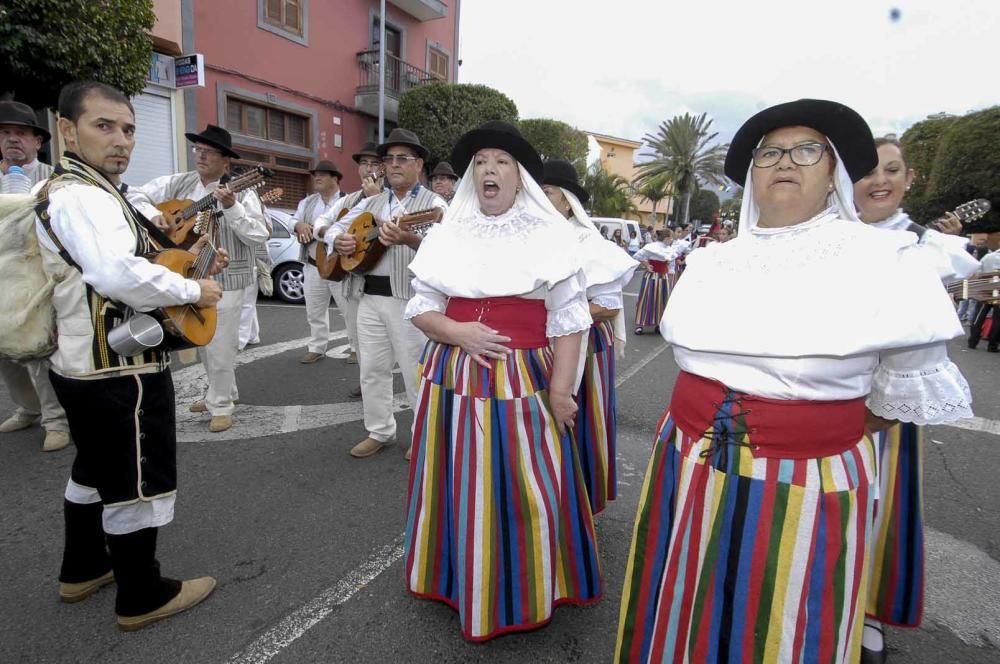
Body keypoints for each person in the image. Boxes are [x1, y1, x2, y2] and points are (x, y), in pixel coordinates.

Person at [615, 99, 972, 664]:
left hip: (809, 474)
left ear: (834, 172)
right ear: (752, 175)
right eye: (769, 153)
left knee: (786, 620)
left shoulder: (890, 262)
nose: (786, 161)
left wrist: (809, 431)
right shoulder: (711, 262)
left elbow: (904, 388)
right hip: (686, 459)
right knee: (686, 597)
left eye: (808, 150)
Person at [36, 80, 224, 630]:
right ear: (67, 130)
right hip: (116, 367)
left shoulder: (90, 188)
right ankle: (142, 593)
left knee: (94, 469)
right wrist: (194, 292)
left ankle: (84, 567)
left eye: (128, 128)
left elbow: (135, 257)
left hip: (80, 362)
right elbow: (115, 273)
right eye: (104, 126)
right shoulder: (81, 195)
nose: (121, 140)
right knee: (134, 480)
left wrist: (183, 262)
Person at [403, 121, 600, 641]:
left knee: (526, 487)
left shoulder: (551, 236)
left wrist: (562, 391)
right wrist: (456, 331)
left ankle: (527, 585)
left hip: (523, 379)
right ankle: (459, 578)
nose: (490, 170)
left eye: (502, 162)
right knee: (454, 482)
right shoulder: (448, 233)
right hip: (453, 373)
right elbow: (422, 305)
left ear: (519, 178)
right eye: (482, 162)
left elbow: (569, 319)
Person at [852, 135, 981, 662]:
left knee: (878, 506)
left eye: (892, 169)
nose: (879, 180)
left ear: (909, 180)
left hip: (883, 405)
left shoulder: (927, 248)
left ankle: (867, 613)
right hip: (822, 395)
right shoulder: (828, 237)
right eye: (868, 171)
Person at [128, 125, 268, 433]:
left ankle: (221, 404)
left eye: (210, 152)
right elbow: (134, 193)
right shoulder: (181, 182)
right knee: (201, 339)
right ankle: (222, 392)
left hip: (228, 278)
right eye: (198, 150)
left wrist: (231, 208)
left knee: (219, 344)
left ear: (226, 161)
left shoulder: (244, 190)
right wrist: (154, 215)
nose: (202, 156)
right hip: (188, 275)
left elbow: (259, 233)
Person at [328, 129, 447, 459]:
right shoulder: (373, 201)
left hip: (409, 300)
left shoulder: (433, 204)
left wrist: (410, 239)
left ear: (419, 165)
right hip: (368, 295)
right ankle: (380, 430)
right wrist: (339, 241)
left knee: (414, 371)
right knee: (371, 369)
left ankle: (423, 435)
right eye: (389, 159)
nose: (393, 165)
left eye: (402, 159)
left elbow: (446, 248)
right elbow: (337, 227)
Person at [542, 158, 638, 515]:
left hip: (587, 345)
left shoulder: (588, 243)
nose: (539, 197)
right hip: (544, 344)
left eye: (547, 192)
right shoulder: (529, 237)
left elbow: (607, 307)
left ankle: (578, 499)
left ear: (567, 201)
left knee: (578, 418)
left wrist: (554, 318)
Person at [0, 100, 70, 452]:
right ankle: (27, 408)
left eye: (21, 133)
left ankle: (56, 420)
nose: (13, 140)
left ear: (37, 141)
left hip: (39, 282)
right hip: (2, 283)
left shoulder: (53, 179)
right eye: (6, 133)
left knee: (39, 351)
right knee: (5, 356)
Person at [312, 143, 385, 378]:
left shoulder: (393, 197)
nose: (368, 169)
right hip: (351, 276)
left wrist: (375, 199)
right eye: (364, 163)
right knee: (359, 336)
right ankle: (368, 382)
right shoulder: (349, 199)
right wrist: (332, 237)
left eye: (374, 163)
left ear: (383, 169)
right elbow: (323, 221)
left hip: (385, 282)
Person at [291, 160, 347, 363]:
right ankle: (317, 347)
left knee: (349, 310)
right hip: (313, 264)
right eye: (316, 175)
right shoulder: (308, 202)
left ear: (335, 179)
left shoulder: (348, 201)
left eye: (323, 175)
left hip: (340, 266)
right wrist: (299, 225)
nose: (317, 178)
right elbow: (292, 220)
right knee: (314, 310)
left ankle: (357, 348)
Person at [631, 228, 676, 334]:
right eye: (671, 237)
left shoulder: (669, 249)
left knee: (661, 300)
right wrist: (646, 265)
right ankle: (640, 324)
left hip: (663, 277)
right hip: (652, 276)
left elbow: (671, 265)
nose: (672, 240)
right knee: (647, 299)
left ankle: (658, 324)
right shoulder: (652, 247)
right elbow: (637, 255)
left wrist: (669, 274)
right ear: (666, 238)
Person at [968, 247, 1000, 351]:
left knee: (979, 316)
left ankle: (973, 341)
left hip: (986, 288)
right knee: (997, 319)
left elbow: (978, 273)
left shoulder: (987, 257)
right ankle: (992, 345)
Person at [958, 236, 990, 322]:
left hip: (971, 279)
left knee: (968, 300)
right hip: (972, 279)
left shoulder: (980, 255)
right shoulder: (986, 254)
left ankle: (964, 316)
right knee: (969, 300)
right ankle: (966, 317)